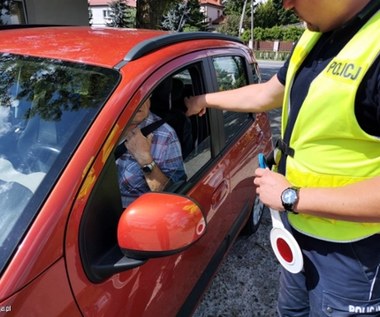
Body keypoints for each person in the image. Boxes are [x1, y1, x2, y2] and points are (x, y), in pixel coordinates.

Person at [185, 0, 380, 316]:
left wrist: (291, 196)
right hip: (298, 232)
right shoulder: (316, 33)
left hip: (354, 255)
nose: (286, 4)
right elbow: (266, 95)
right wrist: (203, 99)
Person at [116, 97, 186, 208]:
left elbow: (174, 196)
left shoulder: (165, 135)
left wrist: (144, 159)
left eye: (144, 96)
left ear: (150, 98)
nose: (138, 102)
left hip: (136, 215)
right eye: (133, 97)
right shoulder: (103, 126)